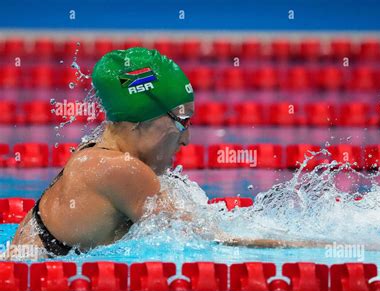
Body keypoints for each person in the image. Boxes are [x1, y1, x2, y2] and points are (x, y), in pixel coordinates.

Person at [10, 47, 318, 259]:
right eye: (181, 121)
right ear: (142, 119)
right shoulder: (119, 170)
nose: (187, 140)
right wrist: (317, 247)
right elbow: (212, 240)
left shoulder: (97, 151)